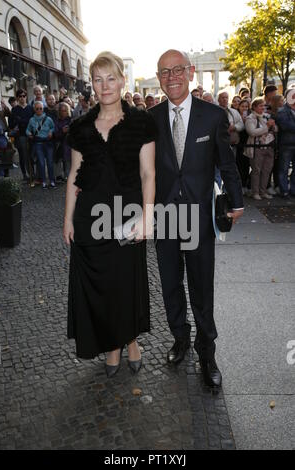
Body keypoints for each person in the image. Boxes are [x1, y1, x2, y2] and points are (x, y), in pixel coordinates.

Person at [150, 49, 243, 388]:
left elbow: (227, 162)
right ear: (158, 78)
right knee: (171, 286)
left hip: (200, 218)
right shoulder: (151, 118)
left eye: (177, 70)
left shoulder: (212, 116)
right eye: (164, 72)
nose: (171, 77)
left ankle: (208, 352)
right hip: (165, 219)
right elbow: (143, 172)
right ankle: (180, 338)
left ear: (190, 72)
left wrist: (237, 200)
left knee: (202, 288)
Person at [64, 51, 157, 377]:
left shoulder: (141, 122)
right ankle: (112, 345)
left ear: (122, 80)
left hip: (127, 215)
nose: (104, 86)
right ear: (92, 84)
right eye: (98, 79)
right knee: (98, 286)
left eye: (111, 78)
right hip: (89, 218)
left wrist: (147, 216)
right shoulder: (81, 127)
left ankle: (130, 342)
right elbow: (75, 174)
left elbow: (148, 174)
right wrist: (67, 219)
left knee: (124, 283)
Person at [244, 97, 276, 200]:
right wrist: (266, 126)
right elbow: (252, 132)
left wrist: (274, 126)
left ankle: (263, 191)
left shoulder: (267, 116)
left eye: (264, 105)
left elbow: (276, 129)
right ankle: (255, 192)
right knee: (256, 171)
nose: (263, 107)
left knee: (266, 170)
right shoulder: (250, 118)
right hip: (256, 147)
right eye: (260, 105)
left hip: (269, 147)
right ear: (254, 107)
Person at [26, 101, 56, 189]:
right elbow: (27, 130)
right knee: (41, 164)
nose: (39, 110)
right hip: (38, 143)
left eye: (41, 108)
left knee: (50, 163)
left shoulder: (48, 119)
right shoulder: (31, 120)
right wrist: (29, 134)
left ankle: (52, 181)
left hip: (48, 143)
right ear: (34, 109)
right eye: (37, 108)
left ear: (43, 109)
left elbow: (53, 127)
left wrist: (51, 132)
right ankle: (43, 181)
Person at [10, 89, 34, 182]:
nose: (22, 98)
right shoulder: (15, 109)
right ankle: (25, 174)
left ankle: (32, 173)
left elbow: (32, 121)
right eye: (20, 96)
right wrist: (20, 122)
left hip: (30, 135)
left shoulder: (30, 108)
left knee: (31, 156)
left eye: (24, 96)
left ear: (26, 97)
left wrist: (21, 121)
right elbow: (11, 124)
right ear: (17, 98)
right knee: (23, 155)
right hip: (20, 136)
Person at [276, 88, 295, 198]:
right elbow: (285, 125)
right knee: (283, 168)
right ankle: (284, 190)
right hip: (286, 145)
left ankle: (293, 189)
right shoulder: (282, 111)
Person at [54, 102, 72, 181]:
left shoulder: (71, 119)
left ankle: (68, 175)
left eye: (65, 110)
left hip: (70, 144)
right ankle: (59, 176)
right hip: (60, 144)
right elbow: (55, 133)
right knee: (58, 160)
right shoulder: (57, 121)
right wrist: (62, 131)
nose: (63, 112)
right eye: (62, 110)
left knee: (68, 160)